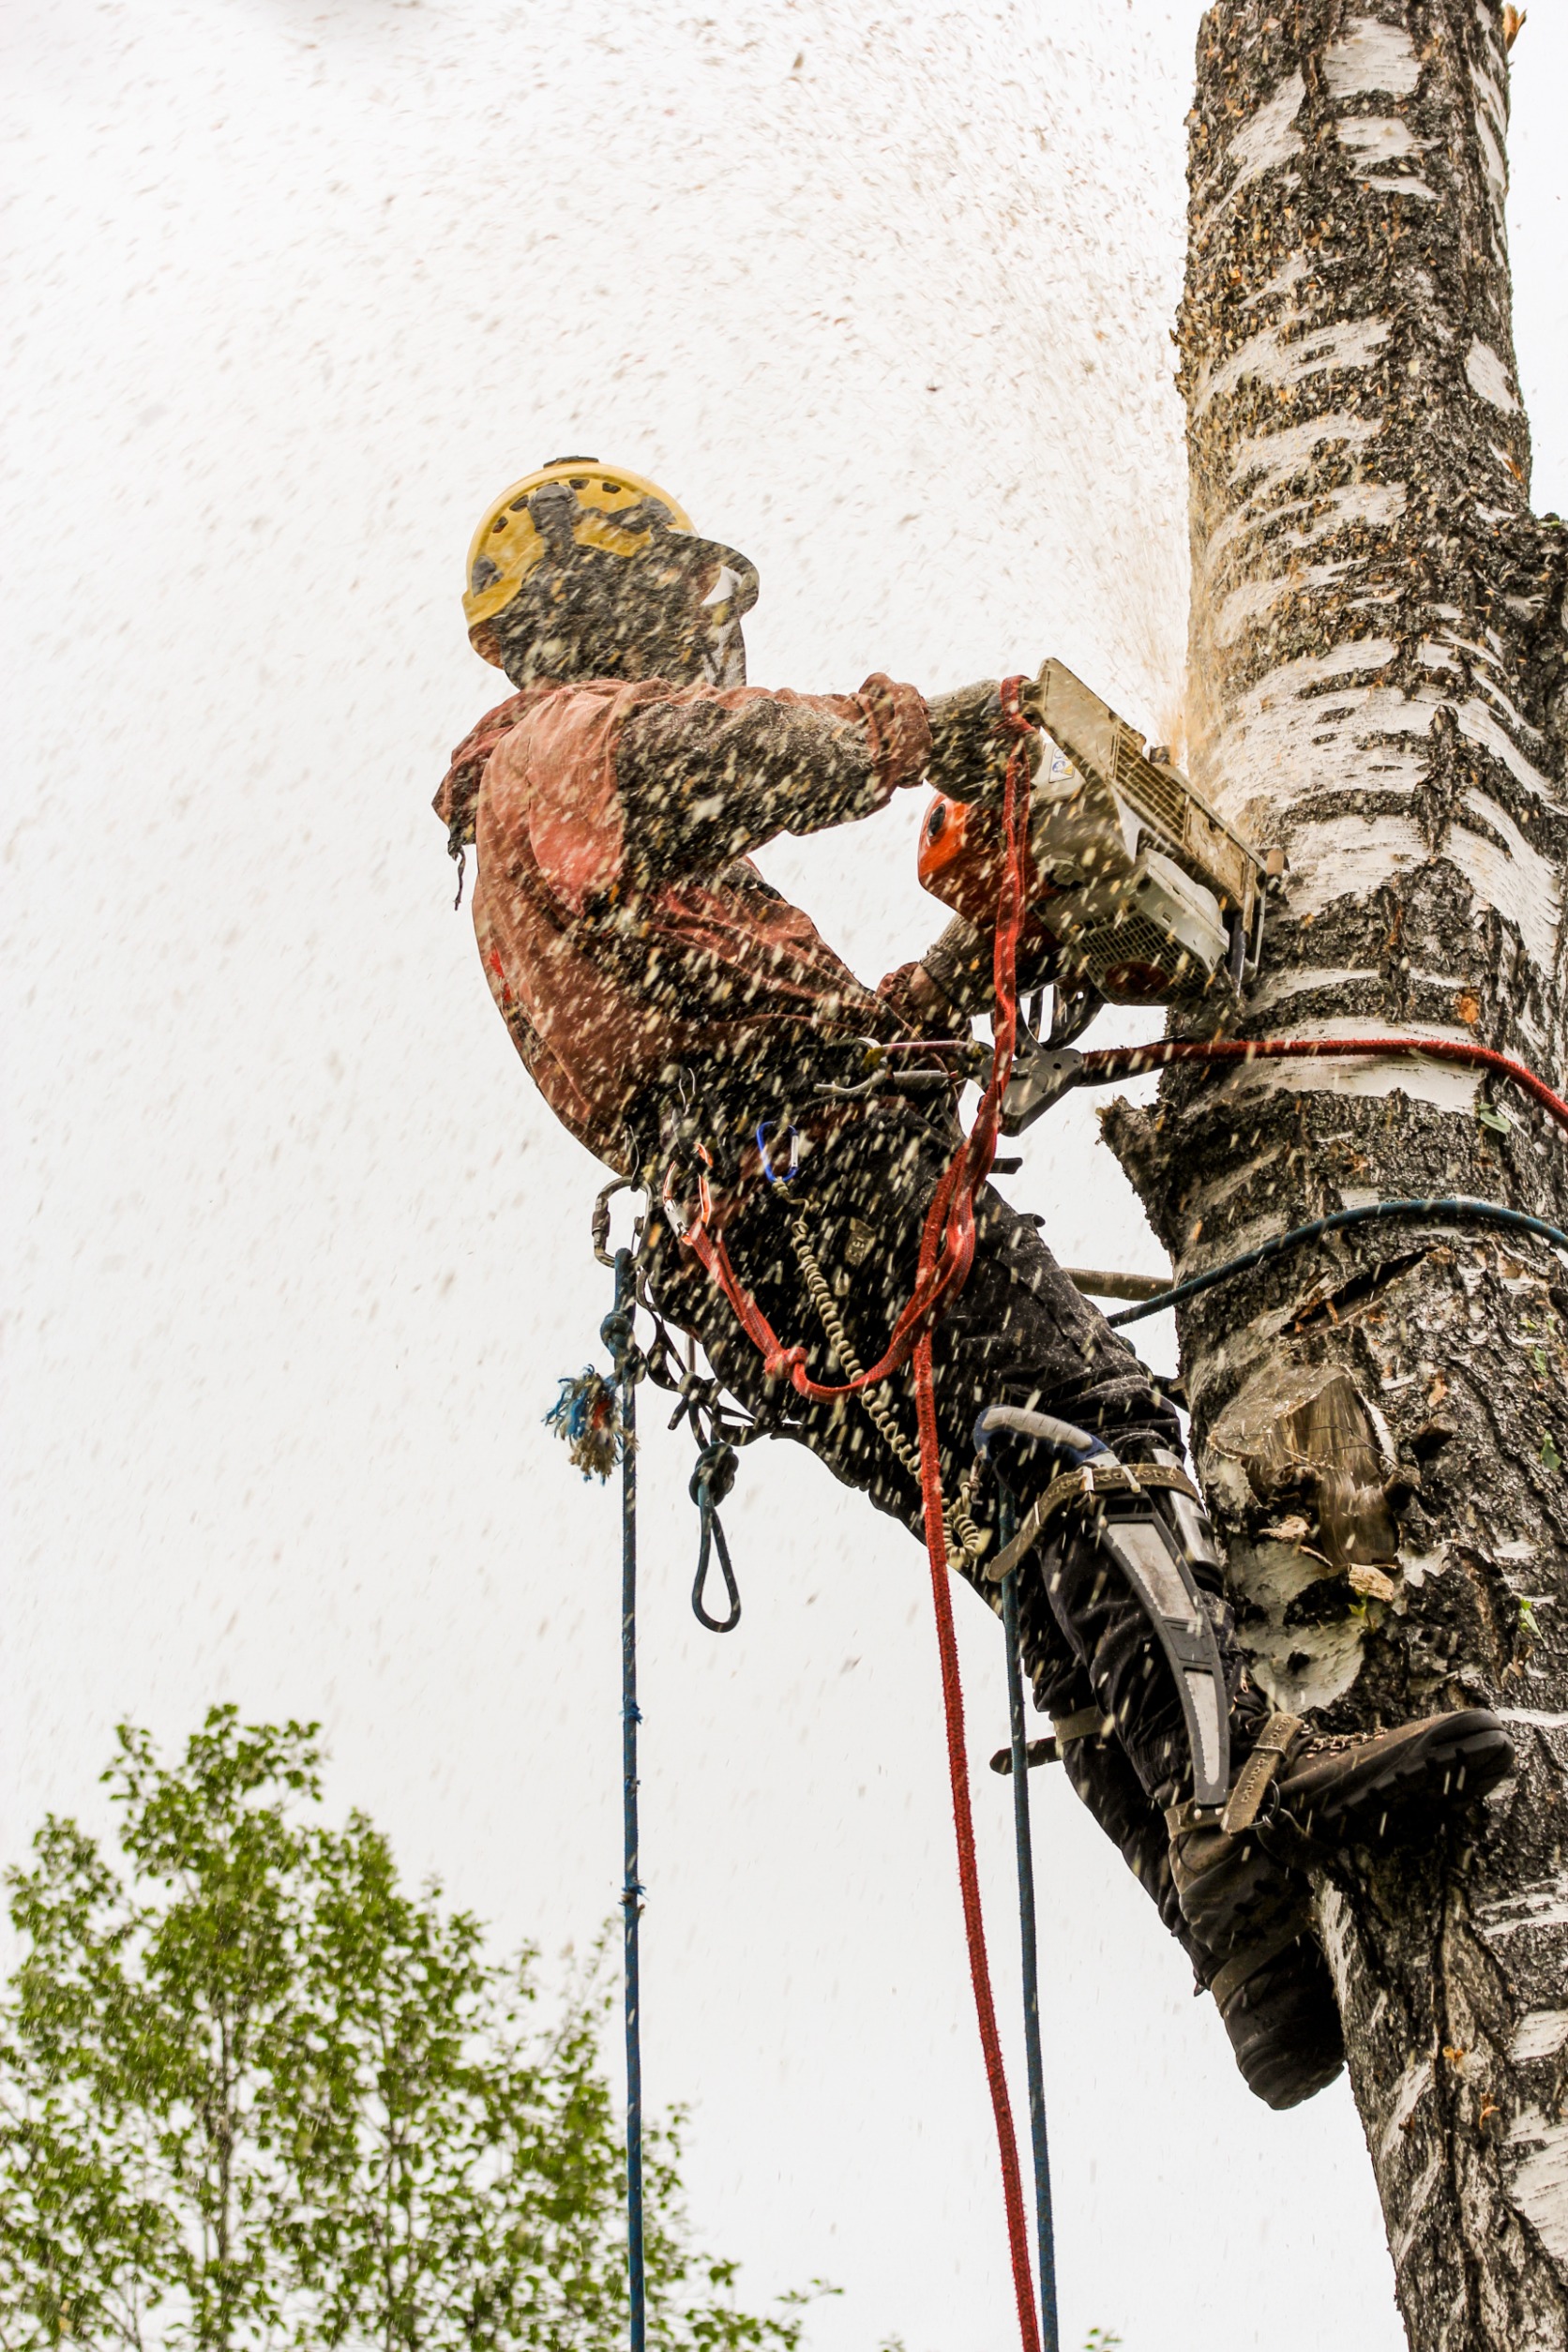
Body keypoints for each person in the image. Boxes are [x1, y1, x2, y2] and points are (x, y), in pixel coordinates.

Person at [436, 458, 1513, 2109]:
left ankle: (1236, 1935)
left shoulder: (593, 874)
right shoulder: (553, 750)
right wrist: (925, 733)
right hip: (802, 1200)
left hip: (766, 1240)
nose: (703, 640)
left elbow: (805, 1048)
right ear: (602, 598)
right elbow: (698, 763)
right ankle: (1244, 1797)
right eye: (677, 604)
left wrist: (989, 952)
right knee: (1083, 1429)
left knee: (1032, 1521)